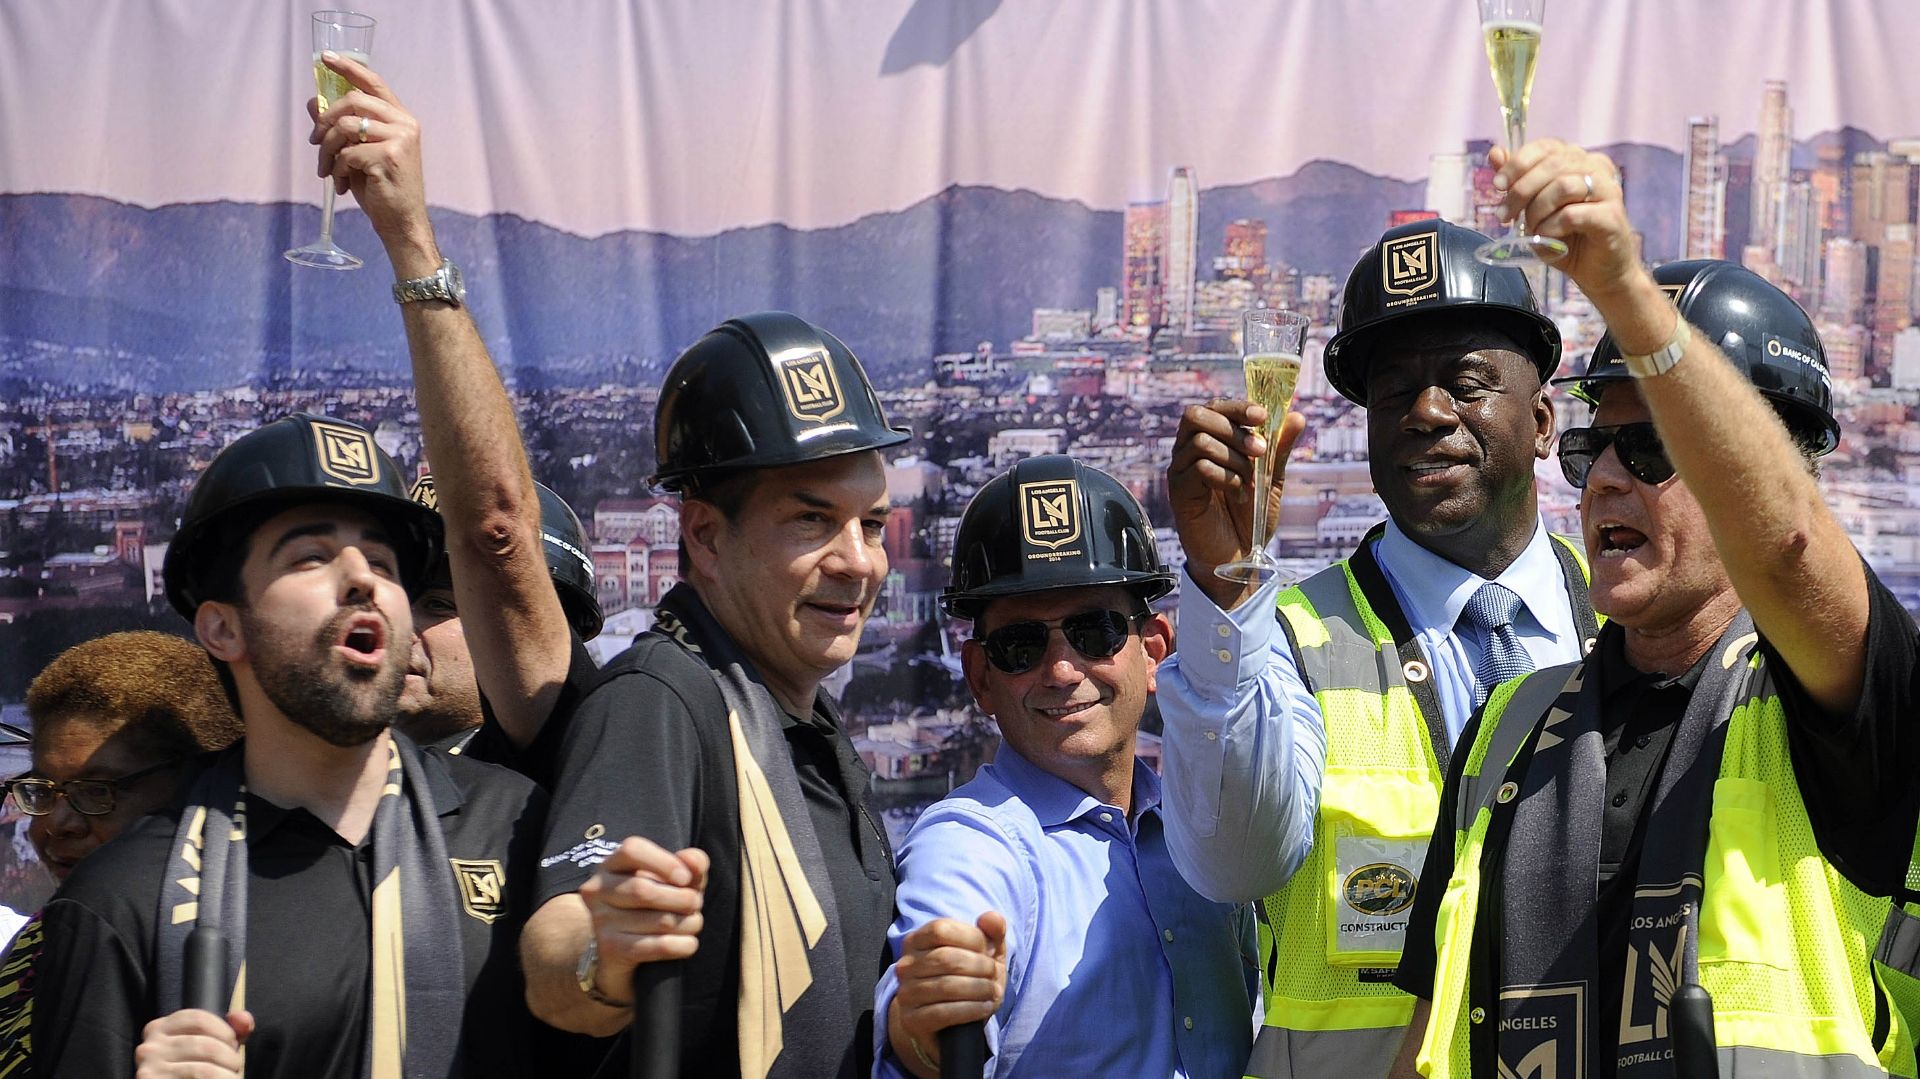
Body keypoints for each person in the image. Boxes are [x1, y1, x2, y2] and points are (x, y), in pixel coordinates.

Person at [1392, 141, 1920, 1079]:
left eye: (1653, 448)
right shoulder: (1507, 735)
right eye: (1592, 445)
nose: (1601, 480)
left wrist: (1626, 291)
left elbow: (1792, 547)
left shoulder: (1836, 708)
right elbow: (1432, 1033)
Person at [1160, 217, 1600, 1076]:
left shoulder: (1633, 626)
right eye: (1393, 391)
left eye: (1466, 382)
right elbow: (1228, 858)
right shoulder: (1284, 635)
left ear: (1544, 420)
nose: (1426, 413)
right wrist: (1226, 587)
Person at [31, 415, 550, 1078]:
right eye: (311, 555)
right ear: (222, 626)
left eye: (385, 562)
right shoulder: (124, 900)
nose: (362, 577)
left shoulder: (516, 826)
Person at [520, 311, 907, 1079]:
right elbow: (558, 946)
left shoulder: (797, 717)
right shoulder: (660, 700)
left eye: (873, 523)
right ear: (703, 535)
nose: (858, 562)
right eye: (812, 520)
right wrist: (608, 947)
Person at [875, 455, 1259, 1078]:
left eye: (1095, 631)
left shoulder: (1204, 830)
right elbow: (934, 989)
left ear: (1154, 648)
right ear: (981, 677)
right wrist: (925, 1023)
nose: (1061, 670)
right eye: (1022, 645)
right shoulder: (972, 844)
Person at [307, 51, 603, 789]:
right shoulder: (318, 782)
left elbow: (495, 534)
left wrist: (409, 238)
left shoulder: (557, 758)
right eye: (399, 589)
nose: (401, 619)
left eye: (445, 600)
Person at [0, 632, 243, 1075]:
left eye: (96, 792)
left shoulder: (227, 966)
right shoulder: (36, 942)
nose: (58, 823)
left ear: (200, 784)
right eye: (43, 790)